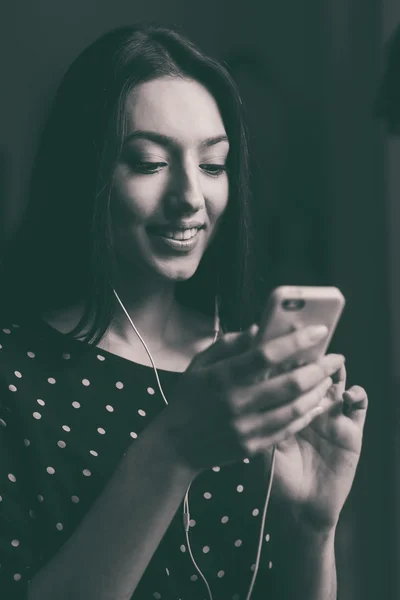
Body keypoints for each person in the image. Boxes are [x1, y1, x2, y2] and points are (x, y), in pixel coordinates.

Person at [0, 24, 368, 600]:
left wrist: (312, 527)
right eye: (149, 163)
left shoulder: (243, 367)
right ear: (84, 174)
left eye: (213, 165)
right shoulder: (15, 374)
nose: (190, 198)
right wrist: (171, 451)